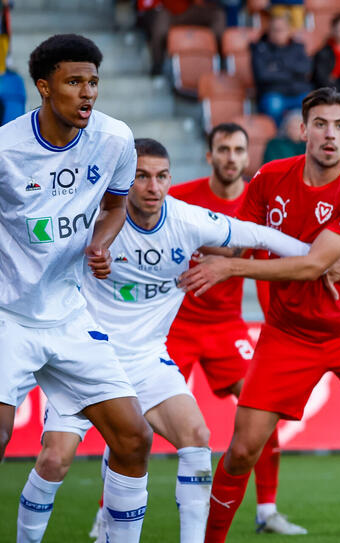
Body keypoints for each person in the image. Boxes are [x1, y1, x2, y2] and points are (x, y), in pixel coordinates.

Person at [15, 137, 317, 543]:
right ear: (125, 178)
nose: (152, 187)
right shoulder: (94, 218)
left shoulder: (187, 220)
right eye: (141, 176)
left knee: (197, 438)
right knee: (54, 460)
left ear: (170, 179)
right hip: (87, 358)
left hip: (146, 359)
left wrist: (320, 258)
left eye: (160, 177)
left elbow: (258, 235)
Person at [184, 88, 340, 543]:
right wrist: (178, 238)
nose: (329, 135)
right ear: (303, 129)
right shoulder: (268, 178)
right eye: (320, 124)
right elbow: (239, 237)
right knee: (240, 451)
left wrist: (231, 267)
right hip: (287, 336)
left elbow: (313, 265)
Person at [1, 34, 152, 543]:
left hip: (69, 315)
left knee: (133, 438)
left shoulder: (114, 139)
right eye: (73, 82)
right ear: (44, 87)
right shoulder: (6, 151)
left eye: (93, 82)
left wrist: (101, 246)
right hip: (8, 316)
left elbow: (115, 206)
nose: (87, 93)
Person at [167, 123, 310, 535]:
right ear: (210, 156)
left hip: (227, 327)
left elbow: (270, 265)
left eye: (238, 150)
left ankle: (267, 511)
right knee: (133, 420)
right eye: (223, 149)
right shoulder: (181, 199)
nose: (231, 157)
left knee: (261, 413)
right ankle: (108, 509)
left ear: (248, 158)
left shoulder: (259, 202)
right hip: (177, 324)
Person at [135, 0, 226, 76]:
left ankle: (221, 61)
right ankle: (157, 65)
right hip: (168, 11)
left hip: (189, 9)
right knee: (160, 27)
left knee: (218, 14)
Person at [252, 14, 312, 125]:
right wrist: (293, 73)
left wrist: (278, 68)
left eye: (282, 29)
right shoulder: (260, 49)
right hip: (273, 93)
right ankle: (279, 137)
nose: (278, 33)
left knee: (313, 104)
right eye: (275, 30)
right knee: (274, 105)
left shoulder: (298, 47)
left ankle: (304, 138)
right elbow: (263, 75)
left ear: (289, 31)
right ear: (269, 32)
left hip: (298, 92)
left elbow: (306, 68)